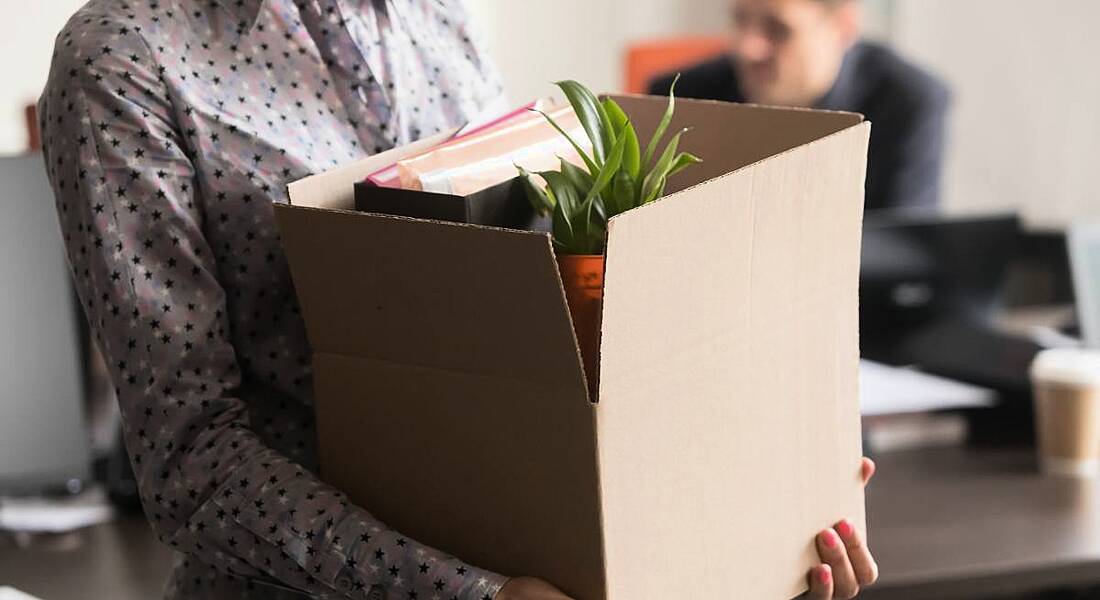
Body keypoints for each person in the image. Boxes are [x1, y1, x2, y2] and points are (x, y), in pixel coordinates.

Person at [38, 1, 877, 598]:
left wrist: (756, 519)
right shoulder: (124, 55)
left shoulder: (440, 21)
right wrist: (477, 595)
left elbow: (527, 343)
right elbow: (191, 465)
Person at [651, 0, 950, 212]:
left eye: (779, 30)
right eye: (740, 20)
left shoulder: (909, 101)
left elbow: (903, 257)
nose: (747, 48)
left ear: (844, 27)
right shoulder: (681, 96)